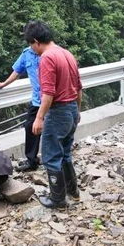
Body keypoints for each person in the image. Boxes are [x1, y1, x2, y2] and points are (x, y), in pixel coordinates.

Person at [24, 21, 82, 208]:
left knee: (50, 156)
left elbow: (48, 93)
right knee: (65, 153)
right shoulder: (67, 53)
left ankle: (57, 199)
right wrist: (78, 111)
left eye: (31, 46)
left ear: (35, 41)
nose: (32, 50)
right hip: (71, 108)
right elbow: (79, 87)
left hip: (57, 112)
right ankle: (72, 191)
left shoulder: (47, 58)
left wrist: (39, 117)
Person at [0, 43, 41, 172]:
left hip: (51, 99)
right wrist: (3, 84)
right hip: (37, 100)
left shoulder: (48, 53)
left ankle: (56, 160)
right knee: (30, 127)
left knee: (50, 129)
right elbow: (17, 71)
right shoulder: (26, 54)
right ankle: (32, 160)